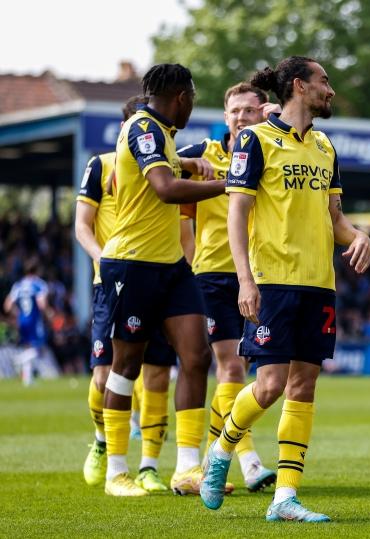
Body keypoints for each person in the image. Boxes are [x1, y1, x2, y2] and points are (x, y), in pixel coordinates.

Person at [200, 56, 370, 523]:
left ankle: (285, 498)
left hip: (319, 284)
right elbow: (237, 214)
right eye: (324, 81)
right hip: (272, 282)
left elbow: (334, 219)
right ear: (299, 86)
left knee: (304, 386)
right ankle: (221, 450)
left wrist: (357, 236)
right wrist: (245, 280)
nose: (331, 90)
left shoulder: (324, 146)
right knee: (270, 384)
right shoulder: (255, 141)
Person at [98, 64, 226, 497]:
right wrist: (229, 185)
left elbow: (167, 168)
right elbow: (166, 189)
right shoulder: (144, 128)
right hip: (132, 265)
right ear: (181, 95)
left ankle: (187, 469)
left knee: (196, 356)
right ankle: (117, 471)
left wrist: (189, 160)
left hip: (170, 265)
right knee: (126, 368)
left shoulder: (162, 134)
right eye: (192, 96)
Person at [76, 95, 184, 493]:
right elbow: (82, 225)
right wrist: (102, 260)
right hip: (115, 278)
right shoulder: (101, 165)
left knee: (156, 372)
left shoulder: (168, 161)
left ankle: (149, 466)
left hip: (157, 274)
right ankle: (103, 443)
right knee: (106, 373)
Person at [177, 82, 282, 492]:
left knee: (267, 377)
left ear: (262, 112)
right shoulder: (201, 154)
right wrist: (187, 167)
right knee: (232, 366)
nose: (241, 117)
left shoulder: (270, 149)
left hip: (263, 275)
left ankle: (213, 457)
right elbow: (159, 170)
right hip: (215, 278)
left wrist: (278, 122)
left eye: (249, 110)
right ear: (224, 117)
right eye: (234, 111)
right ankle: (249, 461)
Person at [3, 257, 49, 386]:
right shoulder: (40, 284)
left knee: (28, 347)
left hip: (22, 320)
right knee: (38, 349)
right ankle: (19, 359)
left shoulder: (18, 285)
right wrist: (48, 314)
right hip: (34, 320)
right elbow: (41, 304)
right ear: (37, 270)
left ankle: (28, 380)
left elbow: (7, 305)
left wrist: (17, 314)